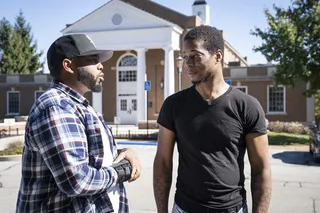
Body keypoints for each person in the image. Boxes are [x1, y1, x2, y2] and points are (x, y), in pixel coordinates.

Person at [16, 34, 141, 213]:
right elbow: (76, 180)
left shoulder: (79, 105)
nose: (100, 65)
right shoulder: (56, 107)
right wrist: (122, 171)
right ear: (68, 65)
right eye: (92, 59)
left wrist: (125, 153)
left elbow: (92, 155)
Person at [153, 25, 272, 213]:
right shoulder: (173, 105)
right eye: (185, 57)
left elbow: (261, 168)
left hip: (233, 208)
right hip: (184, 208)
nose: (188, 63)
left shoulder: (247, 106)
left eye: (195, 55)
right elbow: (163, 162)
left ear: (217, 56)